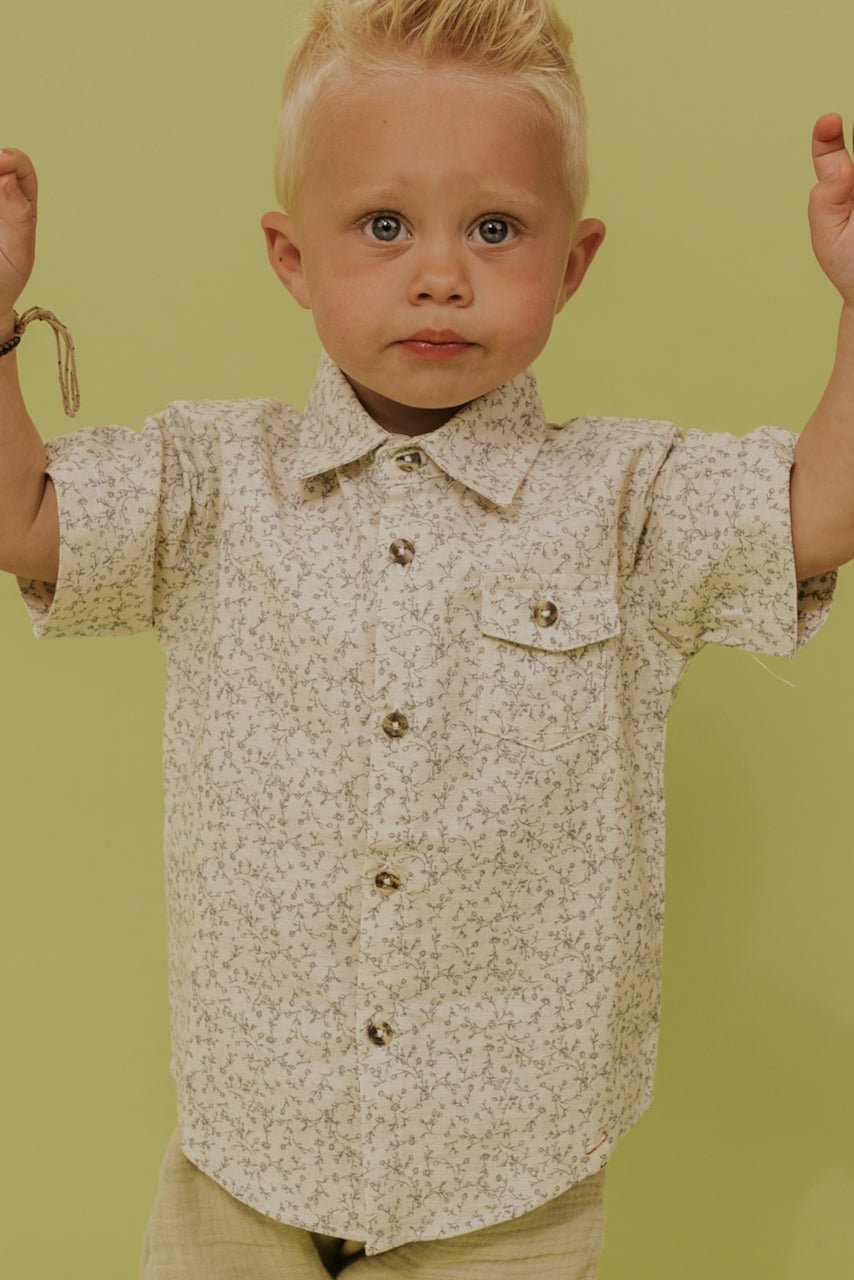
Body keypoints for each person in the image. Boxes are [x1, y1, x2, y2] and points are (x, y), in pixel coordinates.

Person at [0, 0, 852, 1275]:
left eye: (495, 228)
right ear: (293, 257)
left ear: (572, 260)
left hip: (509, 1170)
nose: (439, 272)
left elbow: (817, 510)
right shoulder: (212, 479)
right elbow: (27, 521)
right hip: (249, 1142)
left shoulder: (625, 498)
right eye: (384, 225)